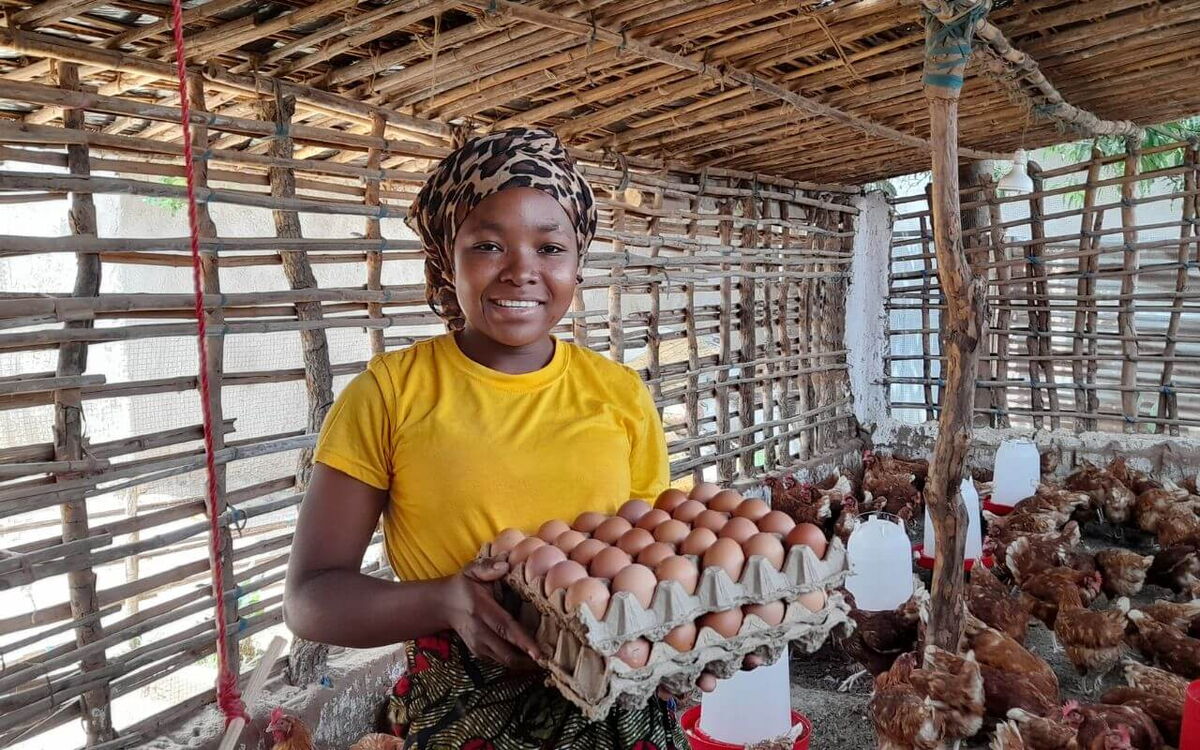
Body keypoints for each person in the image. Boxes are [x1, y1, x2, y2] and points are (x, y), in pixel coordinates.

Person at [284, 128, 752, 749]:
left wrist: (685, 637)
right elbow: (312, 597)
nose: (522, 271)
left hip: (620, 708)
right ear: (446, 260)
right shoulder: (391, 394)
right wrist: (445, 602)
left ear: (577, 264)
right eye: (487, 245)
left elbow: (650, 556)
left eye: (550, 246)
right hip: (465, 712)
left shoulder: (616, 394)